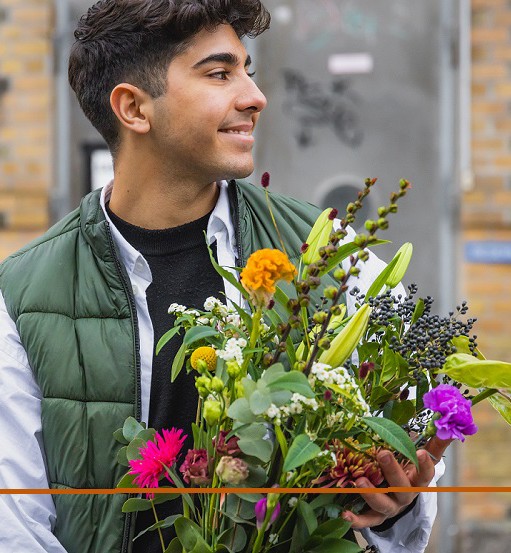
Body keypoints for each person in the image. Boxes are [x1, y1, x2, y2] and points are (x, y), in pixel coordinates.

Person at [0, 1, 449, 552]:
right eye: (219, 74)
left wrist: (391, 506)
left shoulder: (329, 252)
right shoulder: (24, 294)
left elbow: (406, 457)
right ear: (134, 108)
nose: (255, 97)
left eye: (247, 71)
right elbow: (15, 525)